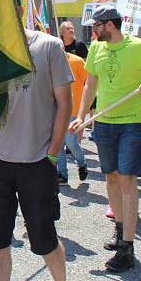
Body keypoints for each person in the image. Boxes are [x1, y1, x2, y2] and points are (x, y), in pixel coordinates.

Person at [0, 0, 75, 281]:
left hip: (37, 162)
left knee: (44, 239)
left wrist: (52, 152)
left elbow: (65, 104)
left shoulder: (49, 46)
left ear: (20, 9)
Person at [72, 5, 141, 272]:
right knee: (110, 177)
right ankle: (120, 231)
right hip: (104, 123)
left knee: (127, 179)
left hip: (131, 122)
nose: (93, 30)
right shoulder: (97, 49)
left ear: (110, 25)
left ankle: (127, 248)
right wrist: (81, 115)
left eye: (96, 26)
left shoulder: (139, 47)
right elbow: (91, 84)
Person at [57, 51, 89, 184]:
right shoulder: (51, 62)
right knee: (58, 143)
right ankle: (62, 174)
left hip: (74, 110)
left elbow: (90, 83)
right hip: (56, 109)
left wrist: (86, 107)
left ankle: (82, 163)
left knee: (70, 142)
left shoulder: (77, 61)